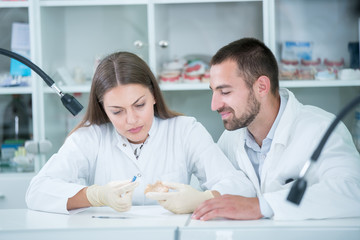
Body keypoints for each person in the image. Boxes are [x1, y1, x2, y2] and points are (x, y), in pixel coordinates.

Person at [26, 51, 254, 214]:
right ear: (103, 108)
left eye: (139, 105)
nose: (131, 120)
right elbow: (37, 191)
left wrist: (203, 199)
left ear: (153, 96)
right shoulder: (90, 137)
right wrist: (95, 195)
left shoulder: (185, 130)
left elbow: (241, 187)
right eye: (117, 111)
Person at [192, 38, 360, 221]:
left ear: (261, 87)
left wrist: (261, 206)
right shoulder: (229, 139)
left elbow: (353, 190)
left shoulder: (321, 129)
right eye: (213, 91)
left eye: (225, 92)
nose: (214, 105)